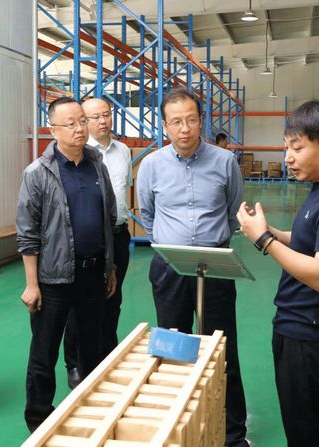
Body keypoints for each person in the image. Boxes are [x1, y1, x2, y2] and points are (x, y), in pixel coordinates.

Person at [236, 101, 319, 447]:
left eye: (297, 148)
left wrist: (263, 240)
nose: (288, 158)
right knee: (303, 432)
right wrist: (271, 231)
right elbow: (309, 240)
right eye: (286, 148)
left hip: (312, 337)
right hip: (298, 328)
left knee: (307, 438)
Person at [137, 88, 249, 447]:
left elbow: (233, 211)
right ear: (164, 125)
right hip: (170, 264)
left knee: (221, 347)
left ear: (201, 120)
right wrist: (172, 243)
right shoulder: (152, 165)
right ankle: (177, 429)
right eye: (176, 122)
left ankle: (232, 434)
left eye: (191, 119)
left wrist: (211, 241)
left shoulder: (224, 161)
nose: (184, 128)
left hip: (215, 263)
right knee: (174, 345)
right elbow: (147, 214)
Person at [16, 97, 117, 432]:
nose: (79, 129)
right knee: (44, 353)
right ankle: (38, 422)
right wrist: (32, 284)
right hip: (53, 280)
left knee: (91, 350)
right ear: (53, 129)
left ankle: (89, 415)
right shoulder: (38, 172)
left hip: (92, 274)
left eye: (82, 121)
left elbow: (108, 218)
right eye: (70, 123)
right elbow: (27, 233)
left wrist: (109, 267)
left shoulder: (97, 165)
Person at [62, 97, 133, 389]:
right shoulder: (79, 153)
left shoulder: (123, 151)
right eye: (95, 117)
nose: (103, 121)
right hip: (88, 238)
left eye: (107, 114)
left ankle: (106, 356)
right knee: (79, 305)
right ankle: (74, 363)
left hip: (118, 234)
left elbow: (125, 191)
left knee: (113, 300)